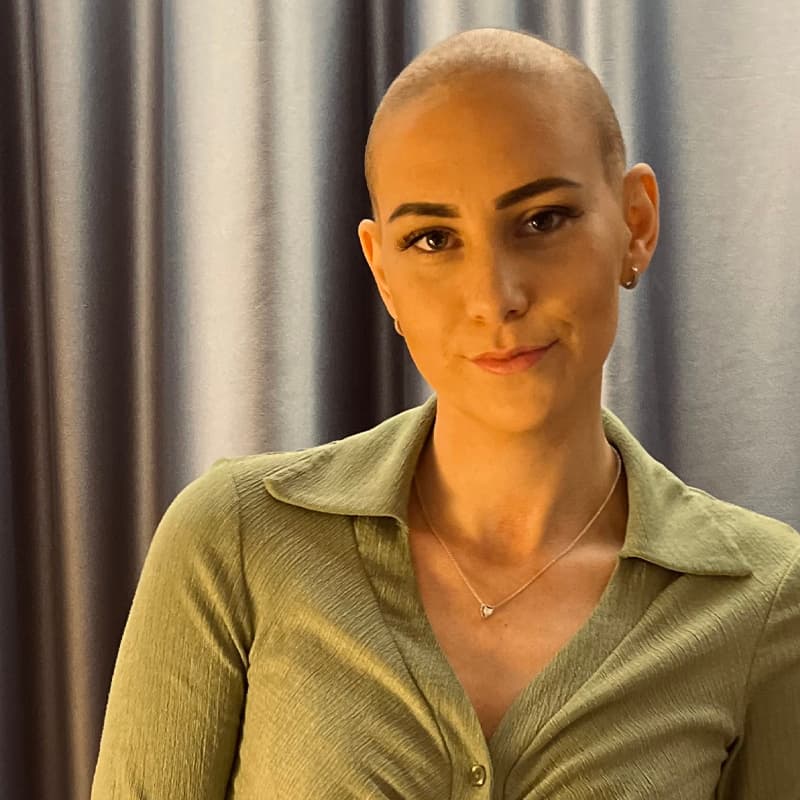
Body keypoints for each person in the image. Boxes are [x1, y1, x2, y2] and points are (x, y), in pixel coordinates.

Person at [92, 27, 800, 799]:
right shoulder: (233, 540)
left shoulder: (763, 597)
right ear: (382, 273)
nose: (495, 297)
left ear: (637, 223)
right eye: (433, 239)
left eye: (542, 220)